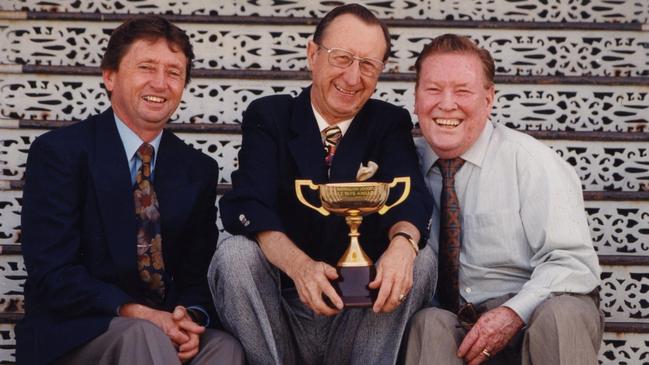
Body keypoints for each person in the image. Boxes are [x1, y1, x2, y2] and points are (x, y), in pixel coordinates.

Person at [209, 4, 435, 365]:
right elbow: (248, 204)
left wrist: (403, 245)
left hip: (362, 314)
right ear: (313, 54)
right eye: (342, 58)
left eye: (368, 65)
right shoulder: (270, 116)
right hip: (281, 309)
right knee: (235, 255)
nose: (353, 77)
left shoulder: (389, 122)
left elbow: (411, 196)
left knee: (420, 259)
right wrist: (300, 267)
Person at [16, 15, 244, 365]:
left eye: (174, 73)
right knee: (141, 335)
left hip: (161, 326)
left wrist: (190, 319)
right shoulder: (60, 153)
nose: (160, 83)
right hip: (78, 330)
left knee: (222, 348)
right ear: (109, 76)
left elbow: (196, 274)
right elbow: (52, 272)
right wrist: (136, 313)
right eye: (146, 67)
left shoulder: (197, 168)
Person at [404, 34, 603, 365]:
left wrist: (513, 312)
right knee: (427, 323)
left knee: (559, 316)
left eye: (463, 90)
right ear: (415, 98)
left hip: (537, 310)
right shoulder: (406, 165)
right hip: (460, 323)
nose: (446, 103)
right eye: (433, 89)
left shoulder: (530, 161)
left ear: (488, 98)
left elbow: (573, 264)